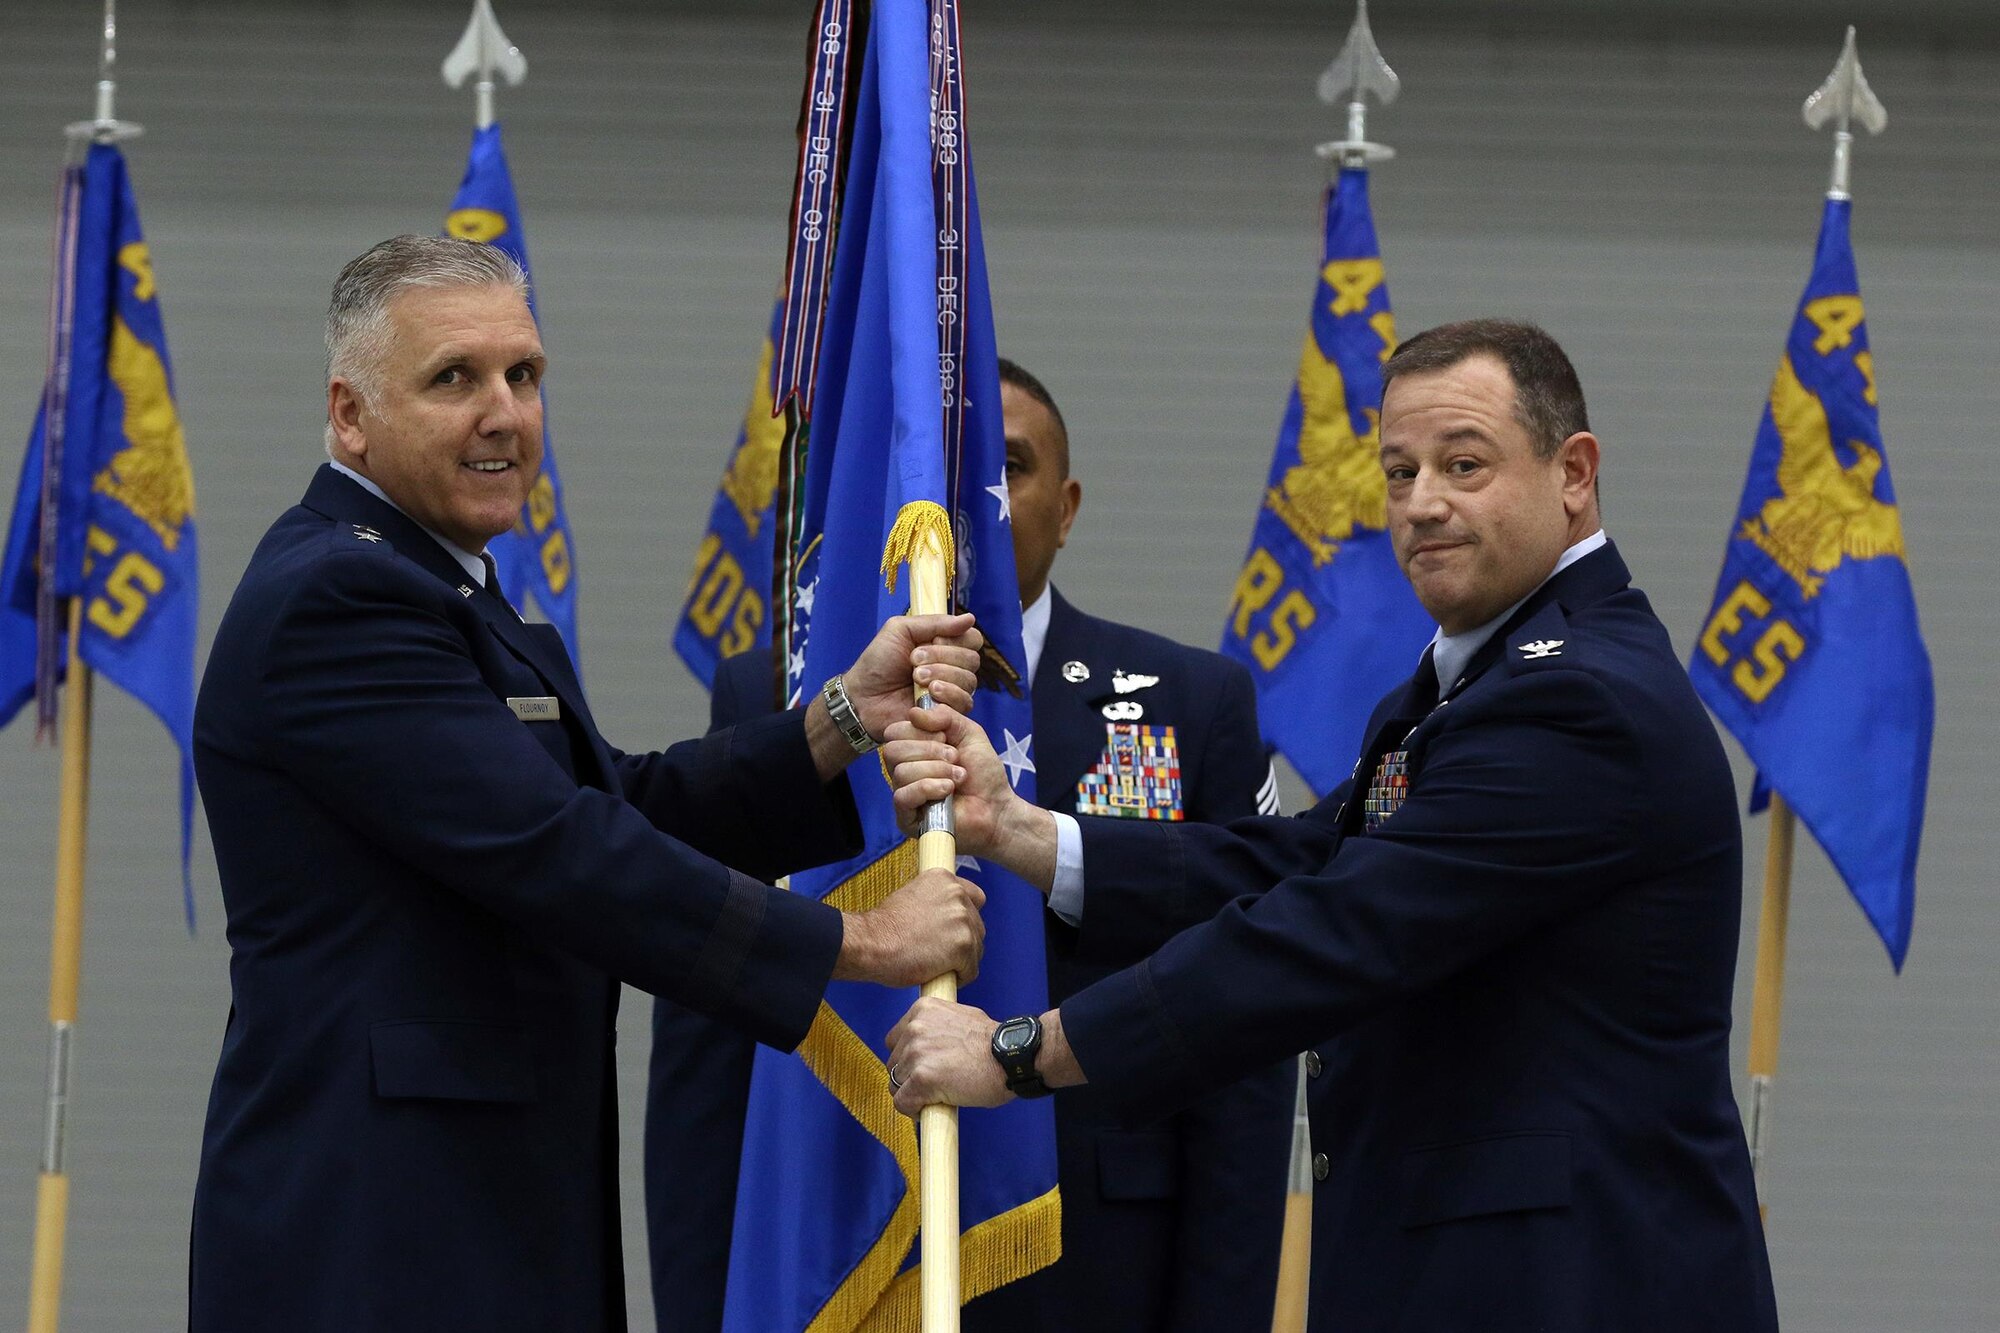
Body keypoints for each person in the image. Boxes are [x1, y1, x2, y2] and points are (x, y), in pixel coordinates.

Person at [884, 321, 1781, 1331]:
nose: (1421, 504)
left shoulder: (1580, 702)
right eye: (1398, 473)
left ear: (1572, 473)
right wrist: (1022, 833)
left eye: (1463, 464)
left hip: (1571, 1286)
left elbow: (1332, 931)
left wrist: (1018, 1053)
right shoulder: (1469, 683)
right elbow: (1304, 860)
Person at [188, 235, 988, 1333]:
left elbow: (615, 807)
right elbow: (557, 852)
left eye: (525, 375)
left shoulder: (440, 588)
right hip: (380, 1235)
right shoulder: (339, 599)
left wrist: (841, 718)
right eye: (453, 378)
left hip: (482, 1213)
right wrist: (859, 946)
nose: (504, 413)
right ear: (349, 415)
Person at [643, 359, 1292, 1331]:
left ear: (1065, 505)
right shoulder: (785, 698)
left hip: (1104, 1263)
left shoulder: (1188, 700)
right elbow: (705, 1020)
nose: (958, 511)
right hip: (829, 1243)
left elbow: (1240, 1031)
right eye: (931, 483)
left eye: (1006, 468)